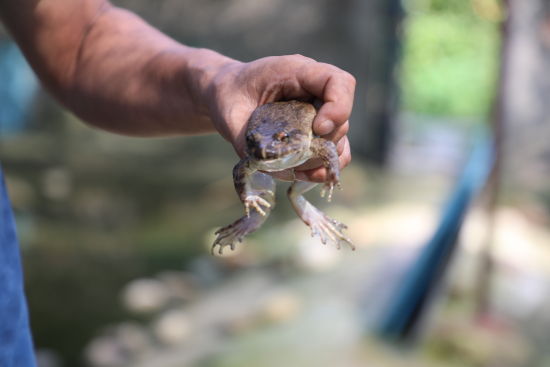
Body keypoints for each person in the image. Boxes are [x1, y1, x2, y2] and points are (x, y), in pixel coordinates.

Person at [0, 0, 355, 365]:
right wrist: (249, 193)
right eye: (254, 145)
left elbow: (79, 41)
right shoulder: (256, 156)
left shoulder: (305, 141)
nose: (260, 153)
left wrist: (221, 79)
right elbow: (244, 170)